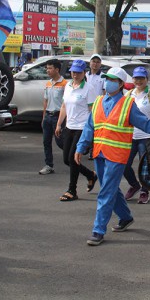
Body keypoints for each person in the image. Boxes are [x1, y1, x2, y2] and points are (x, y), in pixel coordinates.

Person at [75, 67, 150, 246]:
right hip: (100, 153)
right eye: (106, 78)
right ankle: (125, 217)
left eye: (111, 79)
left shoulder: (128, 104)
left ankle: (98, 230)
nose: (107, 82)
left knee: (106, 192)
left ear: (120, 84)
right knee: (110, 189)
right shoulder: (99, 101)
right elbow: (89, 127)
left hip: (117, 156)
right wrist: (80, 146)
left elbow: (148, 125)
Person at [54, 59, 97, 201]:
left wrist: (92, 131)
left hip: (82, 128)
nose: (75, 74)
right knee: (67, 159)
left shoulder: (88, 88)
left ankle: (72, 190)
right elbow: (64, 106)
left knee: (73, 159)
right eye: (73, 71)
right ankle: (90, 175)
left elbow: (92, 111)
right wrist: (59, 124)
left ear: (84, 72)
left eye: (78, 72)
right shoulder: (68, 86)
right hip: (69, 126)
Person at [122, 67, 150, 205]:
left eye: (141, 78)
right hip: (130, 136)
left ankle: (145, 190)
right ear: (132, 79)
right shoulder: (128, 95)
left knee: (144, 167)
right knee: (124, 165)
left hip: (146, 136)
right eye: (136, 78)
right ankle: (134, 185)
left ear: (146, 79)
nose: (138, 81)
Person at [39, 59, 68, 175]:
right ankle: (49, 165)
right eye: (47, 68)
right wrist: (43, 117)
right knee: (46, 142)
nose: (48, 70)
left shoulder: (65, 84)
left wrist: (61, 121)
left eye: (50, 68)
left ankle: (73, 156)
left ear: (57, 69)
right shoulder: (48, 83)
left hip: (58, 117)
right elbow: (45, 101)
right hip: (48, 116)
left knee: (61, 142)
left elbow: (66, 103)